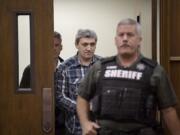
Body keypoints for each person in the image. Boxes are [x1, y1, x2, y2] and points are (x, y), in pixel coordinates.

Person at [76, 18, 180, 135]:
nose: (125, 39)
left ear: (139, 40)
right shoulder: (100, 68)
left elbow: (168, 110)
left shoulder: (154, 71)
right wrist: (85, 123)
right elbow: (82, 97)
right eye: (121, 35)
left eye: (130, 35)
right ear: (115, 40)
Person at [55, 29, 101, 135]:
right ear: (77, 44)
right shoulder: (65, 67)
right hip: (75, 127)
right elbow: (59, 97)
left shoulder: (103, 65)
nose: (89, 48)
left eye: (92, 44)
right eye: (85, 44)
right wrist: (83, 108)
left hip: (99, 127)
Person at [19, 31, 66, 135]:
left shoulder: (67, 68)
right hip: (38, 121)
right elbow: (23, 97)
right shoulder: (31, 69)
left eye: (56, 45)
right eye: (50, 45)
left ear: (61, 47)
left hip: (63, 125)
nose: (54, 48)